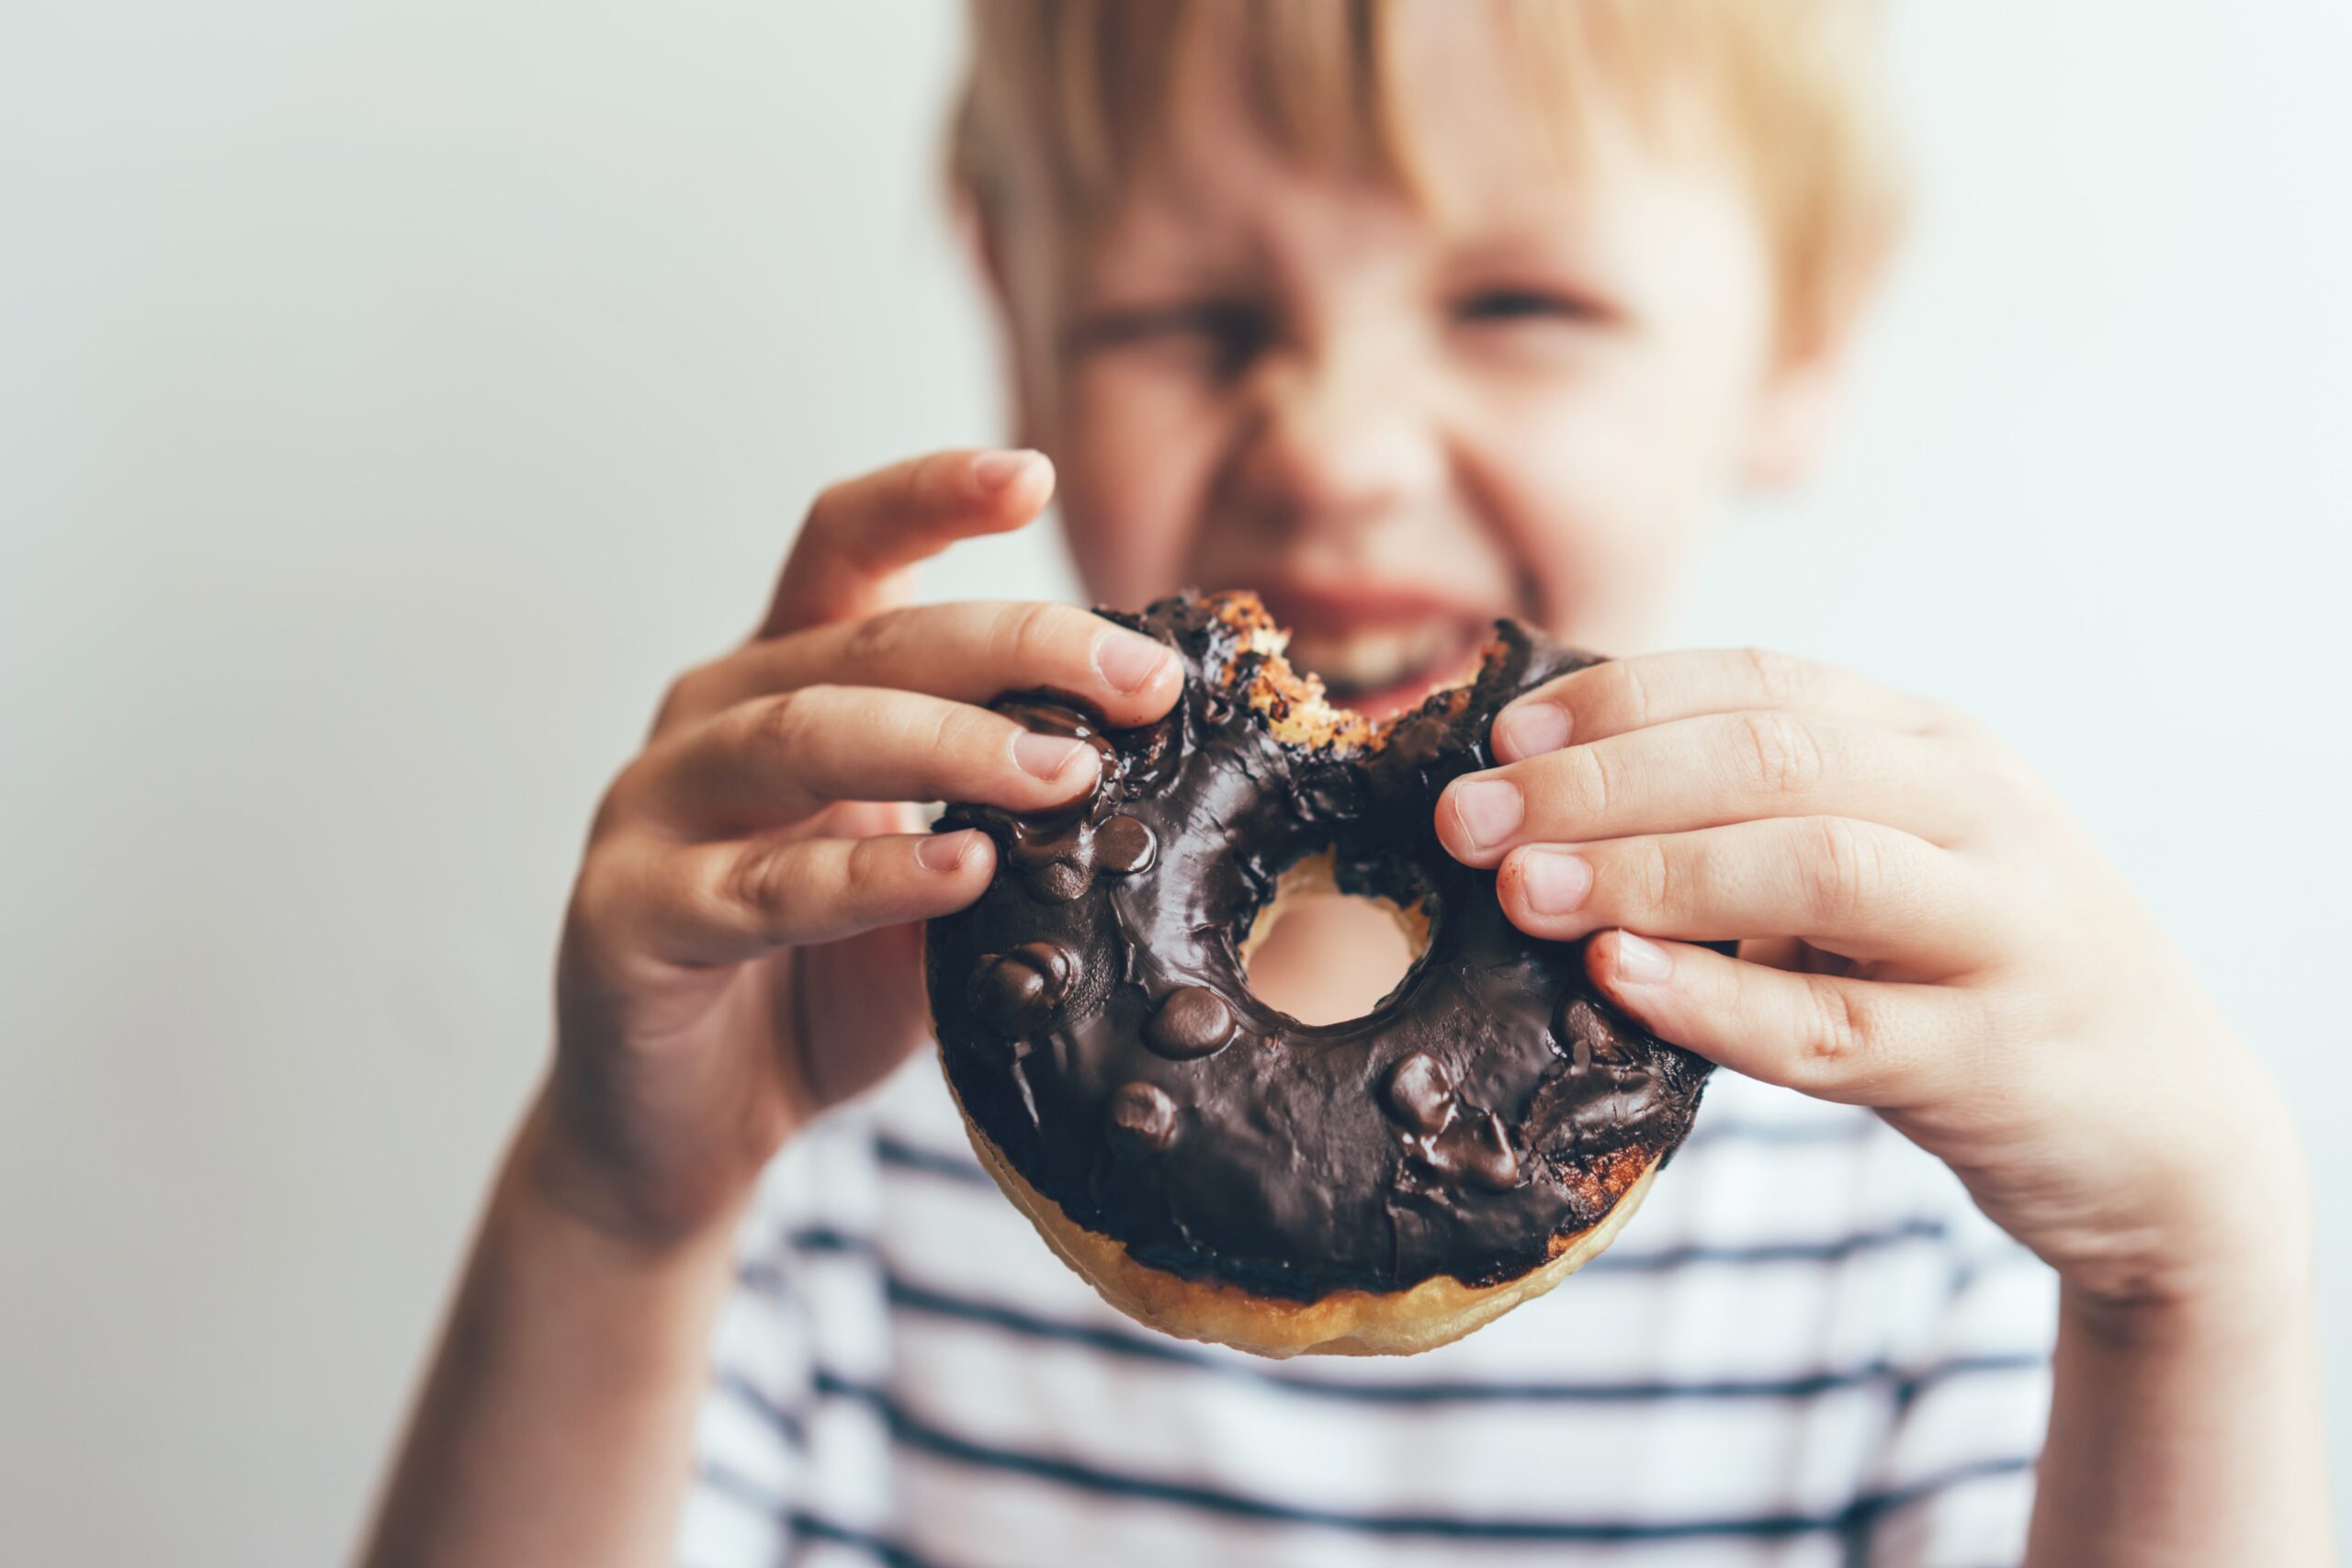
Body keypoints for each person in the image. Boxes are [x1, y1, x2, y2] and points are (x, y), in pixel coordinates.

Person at [360, 4, 2330, 1564]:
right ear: (1016, 323)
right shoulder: (829, 1134)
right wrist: (622, 1213)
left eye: (1515, 306)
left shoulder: (1916, 1201)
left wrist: (2187, 1288)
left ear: (1797, 327)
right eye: (1184, 320)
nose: (1335, 447)